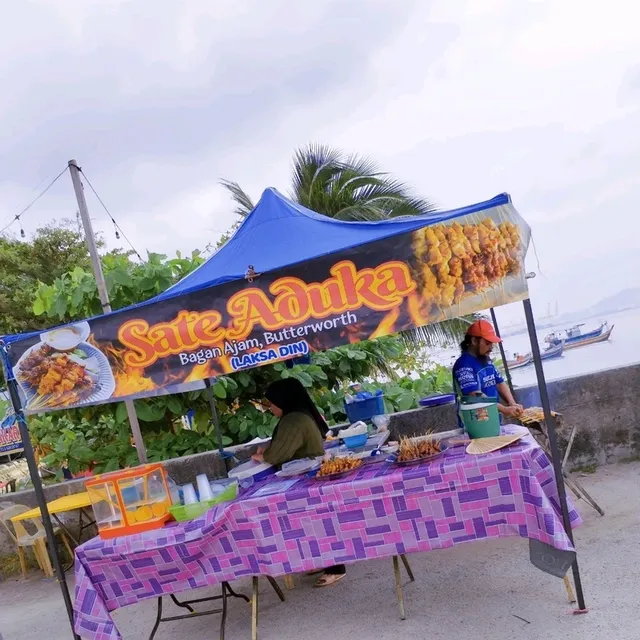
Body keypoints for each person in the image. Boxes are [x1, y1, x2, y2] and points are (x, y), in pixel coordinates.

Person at [251, 378, 346, 587]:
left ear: (283, 401)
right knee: (312, 521)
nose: (270, 408)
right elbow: (286, 444)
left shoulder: (293, 419)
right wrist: (267, 449)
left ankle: (335, 566)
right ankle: (324, 560)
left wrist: (262, 455)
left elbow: (277, 454)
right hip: (308, 473)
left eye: (271, 403)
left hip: (305, 476)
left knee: (315, 521)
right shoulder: (297, 415)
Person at [452, 319, 523, 422]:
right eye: (487, 343)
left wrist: (512, 403)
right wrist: (504, 409)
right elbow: (475, 394)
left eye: (492, 344)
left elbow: (499, 383)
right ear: (474, 341)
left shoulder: (486, 360)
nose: (491, 347)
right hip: (475, 422)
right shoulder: (463, 364)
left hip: (493, 419)